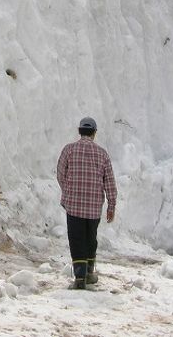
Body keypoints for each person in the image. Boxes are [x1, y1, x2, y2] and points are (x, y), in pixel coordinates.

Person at [56, 116, 117, 289]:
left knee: (77, 240)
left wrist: (68, 191)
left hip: (74, 206)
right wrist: (111, 205)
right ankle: (89, 273)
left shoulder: (69, 150)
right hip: (94, 208)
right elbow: (110, 182)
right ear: (94, 133)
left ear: (79, 131)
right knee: (91, 239)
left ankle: (80, 278)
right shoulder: (102, 154)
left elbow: (60, 173)